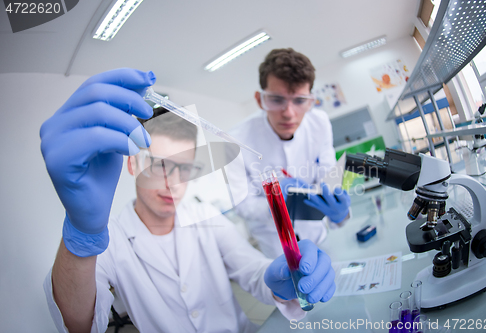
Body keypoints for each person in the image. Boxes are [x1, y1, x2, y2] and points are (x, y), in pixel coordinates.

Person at [40, 68, 336, 333]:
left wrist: (280, 280)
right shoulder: (110, 239)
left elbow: (254, 271)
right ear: (132, 165)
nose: (173, 182)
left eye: (183, 168)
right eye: (159, 165)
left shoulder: (205, 216)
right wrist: (82, 234)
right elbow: (78, 323)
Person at [230, 48, 351, 259]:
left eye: (299, 100)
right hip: (275, 245)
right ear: (260, 100)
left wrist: (340, 214)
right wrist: (273, 204)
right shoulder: (236, 139)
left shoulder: (319, 123)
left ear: (311, 101)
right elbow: (241, 204)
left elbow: (328, 177)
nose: (288, 113)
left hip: (317, 236)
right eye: (277, 100)